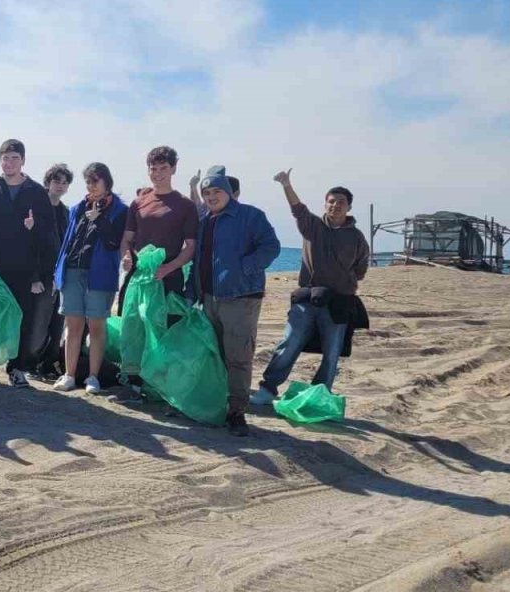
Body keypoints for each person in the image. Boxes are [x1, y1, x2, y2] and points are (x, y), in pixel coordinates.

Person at [251, 170, 370, 404]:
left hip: (338, 302)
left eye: (341, 202)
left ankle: (319, 394)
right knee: (290, 342)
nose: (335, 205)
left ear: (349, 207)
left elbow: (361, 269)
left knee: (332, 351)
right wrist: (286, 184)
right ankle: (268, 389)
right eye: (331, 201)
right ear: (325, 204)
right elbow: (298, 209)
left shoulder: (357, 237)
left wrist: (342, 283)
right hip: (307, 299)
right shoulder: (312, 226)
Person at [186, 166, 280, 436]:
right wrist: (193, 292)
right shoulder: (204, 221)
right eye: (207, 192)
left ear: (228, 192)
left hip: (240, 298)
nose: (211, 196)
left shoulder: (250, 216)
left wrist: (246, 268)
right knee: (213, 355)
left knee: (238, 357)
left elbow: (271, 246)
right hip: (208, 299)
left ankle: (237, 412)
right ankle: (217, 405)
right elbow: (197, 260)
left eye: (217, 191)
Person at [0, 139, 58, 387]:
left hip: (24, 270)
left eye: (14, 158)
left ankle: (17, 368)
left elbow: (49, 236)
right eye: (5, 158)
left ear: (23, 161)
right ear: (0, 161)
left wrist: (38, 273)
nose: (9, 163)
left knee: (22, 318)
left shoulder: (36, 193)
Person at [115, 145, 199, 400]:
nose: (158, 173)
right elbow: (126, 240)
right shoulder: (139, 202)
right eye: (153, 169)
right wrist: (127, 258)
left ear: (173, 169)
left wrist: (168, 268)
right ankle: (133, 384)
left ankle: (160, 387)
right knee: (133, 328)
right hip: (138, 277)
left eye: (164, 168)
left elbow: (190, 247)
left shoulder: (185, 205)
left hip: (168, 278)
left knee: (162, 331)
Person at [51, 163, 128, 394]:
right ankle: (69, 375)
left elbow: (115, 243)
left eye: (95, 181)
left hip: (100, 274)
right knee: (73, 325)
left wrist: (99, 219)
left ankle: (93, 377)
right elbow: (68, 241)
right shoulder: (77, 208)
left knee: (96, 325)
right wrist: (59, 271)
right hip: (73, 270)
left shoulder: (119, 210)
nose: (91, 186)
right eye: (88, 182)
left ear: (107, 182)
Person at [30, 163, 73, 380]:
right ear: (48, 182)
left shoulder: (66, 213)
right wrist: (34, 277)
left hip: (61, 276)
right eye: (57, 181)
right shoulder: (35, 209)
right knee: (38, 322)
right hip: (40, 275)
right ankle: (31, 363)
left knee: (57, 323)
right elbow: (30, 245)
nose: (60, 186)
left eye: (65, 182)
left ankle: (48, 364)